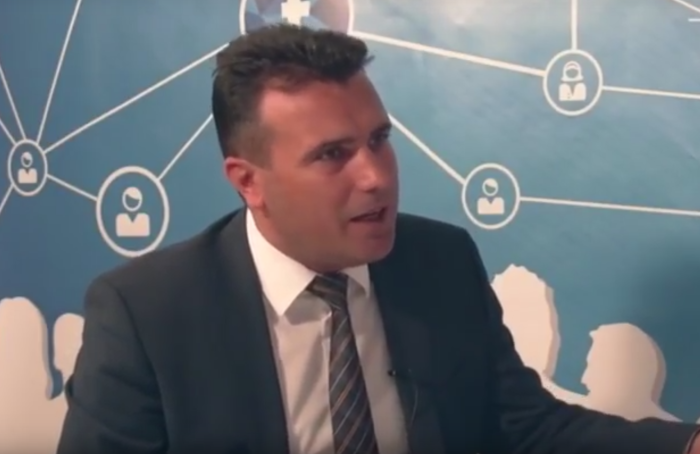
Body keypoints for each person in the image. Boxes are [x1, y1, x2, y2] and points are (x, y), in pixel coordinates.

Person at [57, 23, 699, 454]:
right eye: (332, 154)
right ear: (249, 181)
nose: (376, 176)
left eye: (379, 140)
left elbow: (524, 426)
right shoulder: (148, 313)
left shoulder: (440, 262)